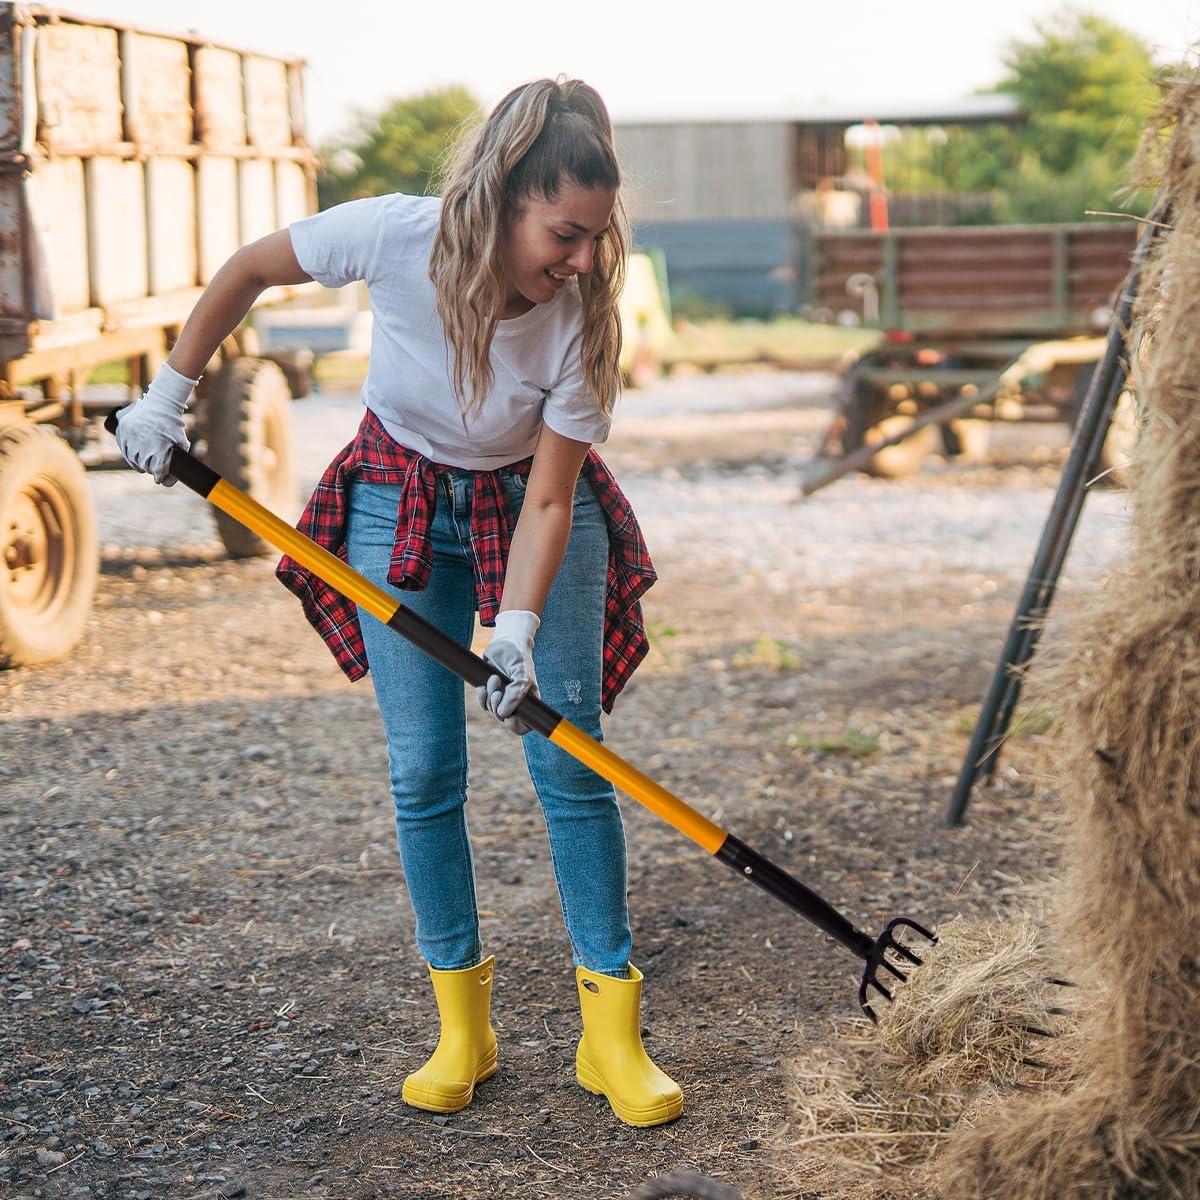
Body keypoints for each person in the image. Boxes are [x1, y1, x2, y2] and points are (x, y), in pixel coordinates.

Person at [112, 77, 682, 1128]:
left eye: (597, 237)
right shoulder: (394, 237)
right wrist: (168, 392)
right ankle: (463, 1027)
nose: (584, 259)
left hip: (528, 504)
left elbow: (554, 494)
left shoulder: (581, 321)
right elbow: (247, 270)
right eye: (564, 232)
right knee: (423, 769)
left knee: (571, 755)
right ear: (503, 200)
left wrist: (512, 631)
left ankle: (611, 1038)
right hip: (397, 498)